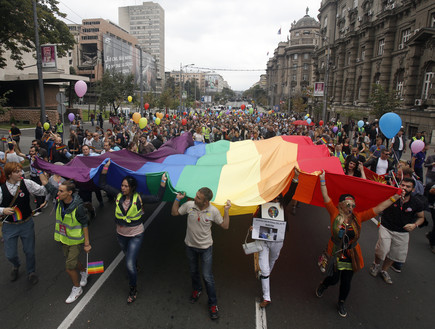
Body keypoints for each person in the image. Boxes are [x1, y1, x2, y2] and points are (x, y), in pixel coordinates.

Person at [315, 171, 401, 317]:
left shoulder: (359, 217)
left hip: (351, 254)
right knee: (335, 278)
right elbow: (325, 196)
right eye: (348, 204)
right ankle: (324, 285)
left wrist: (395, 197)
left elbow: (379, 208)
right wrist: (322, 179)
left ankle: (341, 302)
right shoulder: (334, 213)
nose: (351, 207)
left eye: (353, 204)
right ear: (341, 205)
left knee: (347, 281)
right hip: (335, 252)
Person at [99, 159, 167, 304]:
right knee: (129, 256)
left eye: (126, 186)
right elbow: (103, 184)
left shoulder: (139, 198)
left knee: (128, 264)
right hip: (121, 235)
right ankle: (135, 265)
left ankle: (133, 289)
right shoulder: (117, 195)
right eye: (122, 185)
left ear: (132, 187)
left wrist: (162, 182)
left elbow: (157, 198)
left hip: (136, 235)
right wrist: (105, 168)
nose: (122, 188)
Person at [171, 188, 231, 320]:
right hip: (190, 246)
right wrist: (177, 199)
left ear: (206, 202)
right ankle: (197, 289)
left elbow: (225, 226)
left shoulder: (213, 211)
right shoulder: (189, 205)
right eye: (196, 195)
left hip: (206, 248)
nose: (195, 198)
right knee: (193, 271)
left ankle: (213, 304)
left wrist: (226, 211)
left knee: (207, 276)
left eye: (198, 197)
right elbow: (174, 213)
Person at [1, 162, 52, 285]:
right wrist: (2, 210)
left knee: (29, 251)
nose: (21, 173)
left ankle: (31, 272)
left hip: (26, 223)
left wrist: (46, 179)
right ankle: (16, 265)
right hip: (9, 226)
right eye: (17, 171)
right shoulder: (1, 189)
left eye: (20, 170)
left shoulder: (27, 183)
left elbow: (43, 191)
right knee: (10, 254)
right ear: (9, 175)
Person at [256, 168, 299, 308]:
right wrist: (253, 228)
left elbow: (291, 192)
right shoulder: (262, 206)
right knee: (265, 268)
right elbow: (255, 220)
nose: (275, 200)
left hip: (278, 240)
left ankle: (265, 276)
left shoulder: (282, 204)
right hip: (263, 239)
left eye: (277, 198)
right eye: (272, 197)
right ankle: (266, 297)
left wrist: (296, 177)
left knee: (272, 261)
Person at [369, 178, 425, 284]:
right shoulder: (391, 196)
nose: (404, 188)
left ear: (413, 189)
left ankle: (384, 270)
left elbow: (421, 217)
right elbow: (379, 205)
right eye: (402, 185)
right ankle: (376, 264)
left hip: (402, 232)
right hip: (386, 226)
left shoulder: (417, 203)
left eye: (408, 186)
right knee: (382, 248)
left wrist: (414, 225)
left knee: (395, 254)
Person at [52, 180, 91, 303]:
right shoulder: (60, 201)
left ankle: (77, 288)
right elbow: (46, 184)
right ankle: (84, 272)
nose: (58, 193)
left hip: (75, 241)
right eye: (58, 190)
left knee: (69, 267)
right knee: (72, 260)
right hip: (64, 239)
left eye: (61, 191)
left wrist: (87, 243)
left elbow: (85, 224)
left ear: (69, 193)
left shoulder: (78, 207)